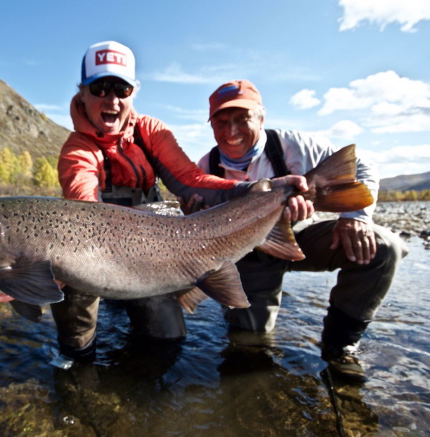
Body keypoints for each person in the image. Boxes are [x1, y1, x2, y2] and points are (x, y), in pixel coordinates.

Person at [51, 42, 312, 361]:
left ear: (134, 92)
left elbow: (191, 180)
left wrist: (254, 190)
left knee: (167, 338)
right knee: (76, 329)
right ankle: (76, 368)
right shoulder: (76, 150)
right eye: (100, 88)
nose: (112, 99)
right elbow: (84, 208)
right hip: (93, 249)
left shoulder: (151, 132)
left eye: (122, 88)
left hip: (153, 250)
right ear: (83, 93)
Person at [194, 79, 408, 381]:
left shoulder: (292, 145)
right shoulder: (206, 166)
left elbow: (363, 166)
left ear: (261, 117)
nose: (231, 132)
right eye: (222, 121)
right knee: (247, 347)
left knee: (382, 247)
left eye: (242, 119)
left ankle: (341, 346)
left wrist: (355, 217)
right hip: (249, 255)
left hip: (303, 235)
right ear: (211, 124)